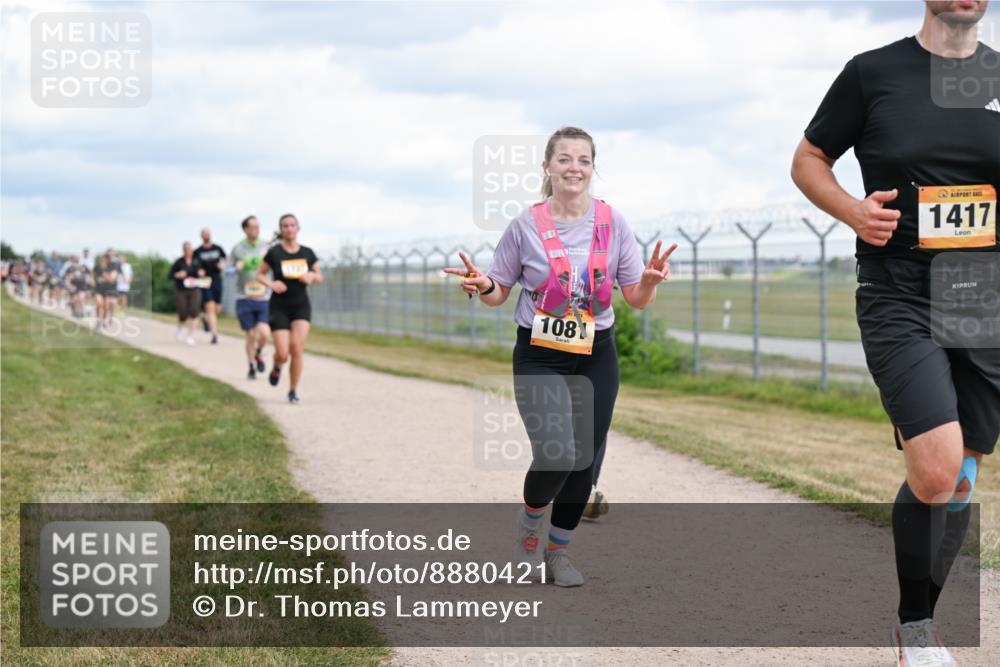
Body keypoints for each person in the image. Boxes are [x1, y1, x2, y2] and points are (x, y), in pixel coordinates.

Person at [791, 2, 998, 665]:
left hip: (983, 295)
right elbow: (808, 158)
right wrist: (852, 210)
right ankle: (916, 631)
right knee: (936, 467)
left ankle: (920, 620)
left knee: (962, 477)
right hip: (899, 290)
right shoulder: (873, 72)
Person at [446, 127, 676, 587]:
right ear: (547, 167)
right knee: (557, 454)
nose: (575, 168)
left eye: (584, 160)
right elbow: (499, 290)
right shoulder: (526, 224)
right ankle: (530, 532)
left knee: (586, 462)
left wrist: (649, 280)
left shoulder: (613, 222)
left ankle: (558, 553)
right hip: (540, 353)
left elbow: (635, 298)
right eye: (565, 159)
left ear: (593, 168)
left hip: (597, 352)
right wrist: (482, 285)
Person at [257, 213, 322, 404]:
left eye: (292, 225)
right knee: (283, 353)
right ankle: (277, 365)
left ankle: (292, 391)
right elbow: (260, 274)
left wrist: (311, 276)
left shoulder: (307, 253)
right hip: (279, 307)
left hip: (301, 306)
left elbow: (320, 276)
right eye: (285, 226)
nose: (289, 229)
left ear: (298, 228)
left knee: (297, 349)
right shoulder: (274, 253)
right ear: (281, 229)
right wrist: (271, 284)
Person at [231, 215, 272, 379]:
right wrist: (236, 267)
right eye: (252, 227)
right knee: (250, 335)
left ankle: (258, 353)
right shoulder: (238, 249)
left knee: (264, 333)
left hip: (263, 296)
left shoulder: (266, 246)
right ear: (245, 229)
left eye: (258, 227)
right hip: (244, 296)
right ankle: (251, 367)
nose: (256, 230)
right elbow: (228, 269)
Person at [193, 228, 227, 344]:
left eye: (208, 234)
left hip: (217, 279)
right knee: (210, 307)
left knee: (217, 309)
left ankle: (205, 319)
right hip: (205, 280)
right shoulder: (197, 251)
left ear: (210, 235)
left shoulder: (218, 248)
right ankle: (214, 335)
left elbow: (226, 259)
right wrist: (198, 271)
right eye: (204, 234)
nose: (206, 236)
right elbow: (194, 265)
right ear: (201, 236)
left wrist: (223, 264)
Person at [171, 242, 202, 345]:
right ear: (183, 250)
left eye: (190, 249)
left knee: (194, 311)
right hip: (181, 290)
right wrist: (178, 275)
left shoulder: (197, 261)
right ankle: (179, 329)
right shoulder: (179, 262)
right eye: (186, 249)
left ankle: (190, 336)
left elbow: (202, 272)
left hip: (194, 289)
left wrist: (201, 273)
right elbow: (170, 275)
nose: (189, 251)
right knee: (183, 313)